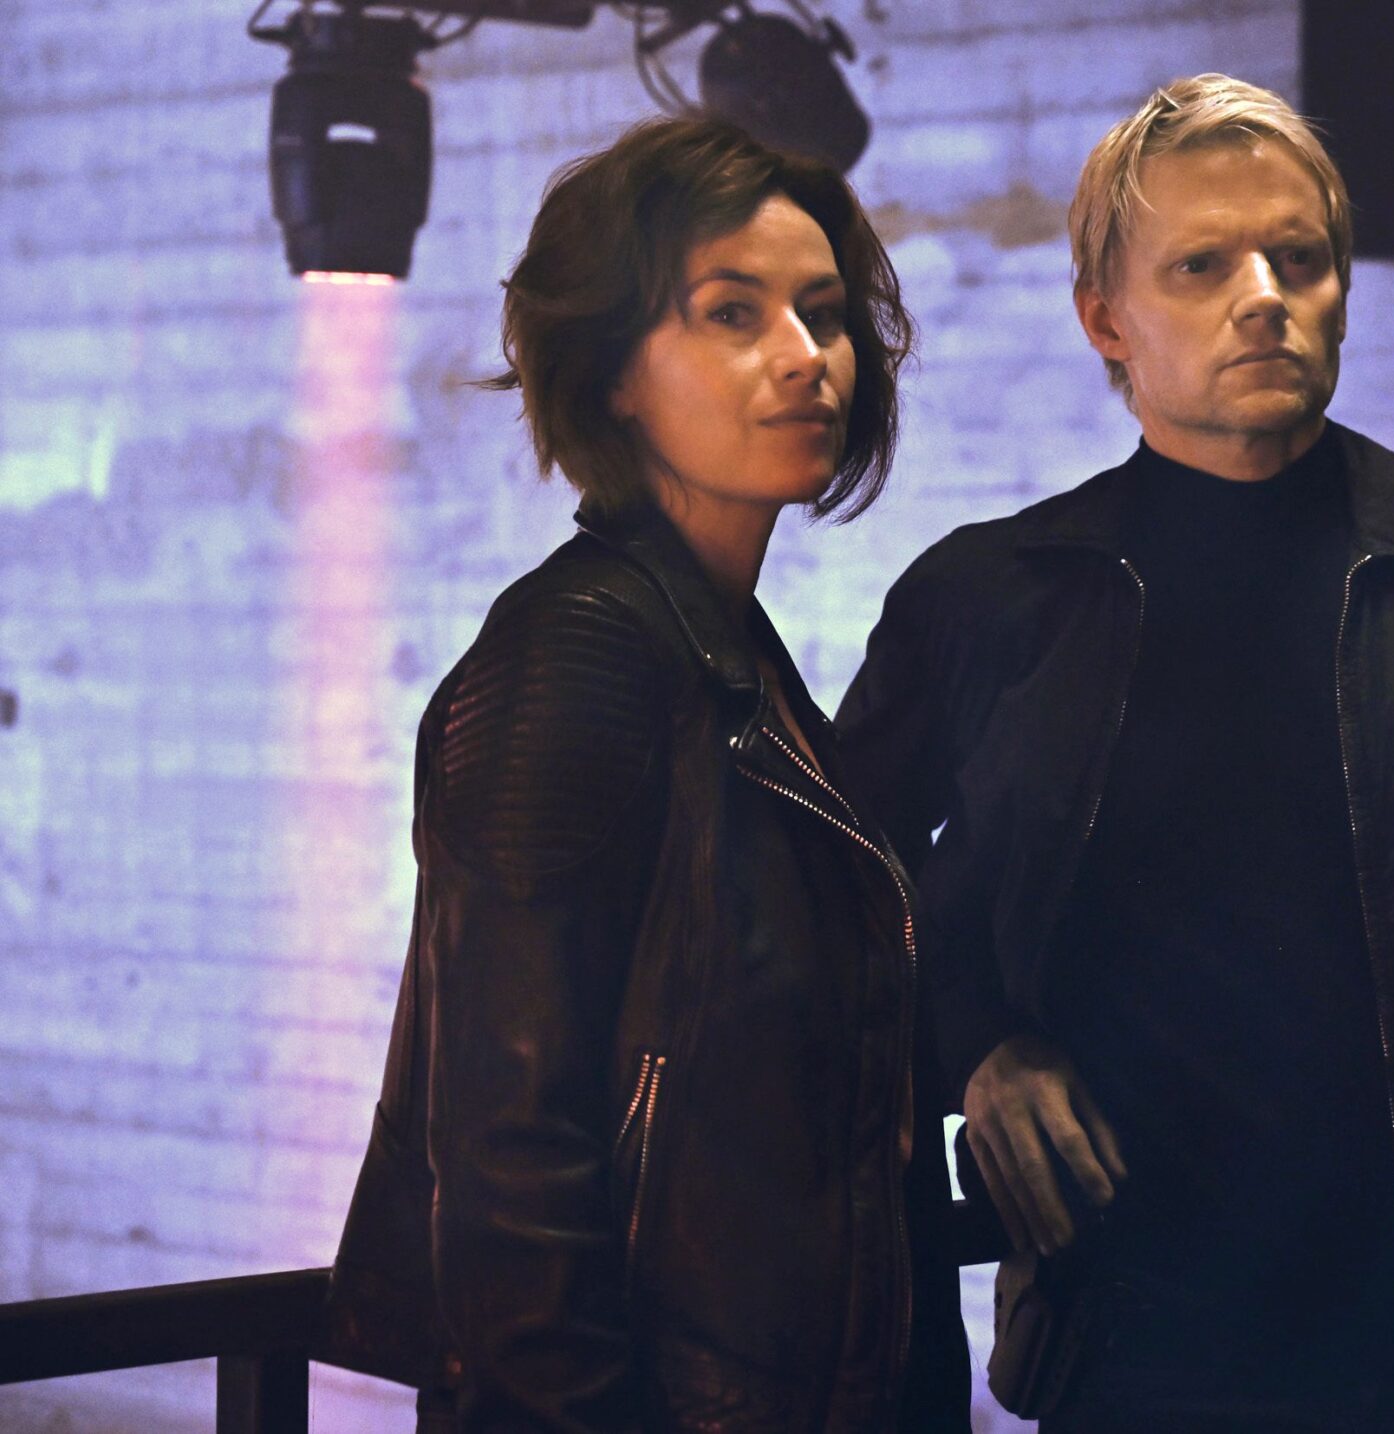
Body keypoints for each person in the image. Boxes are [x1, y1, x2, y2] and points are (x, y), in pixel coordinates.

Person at [834, 74, 1394, 1434]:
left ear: (1342, 290)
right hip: (1135, 1364)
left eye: (1297, 258)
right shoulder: (991, 600)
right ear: (1105, 320)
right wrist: (979, 1044)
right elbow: (840, 895)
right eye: (1202, 266)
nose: (1264, 296)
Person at [320, 116, 967, 1432]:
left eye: (823, 313)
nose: (806, 356)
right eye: (733, 313)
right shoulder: (581, 653)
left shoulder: (727, 654)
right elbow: (509, 1158)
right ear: (615, 369)